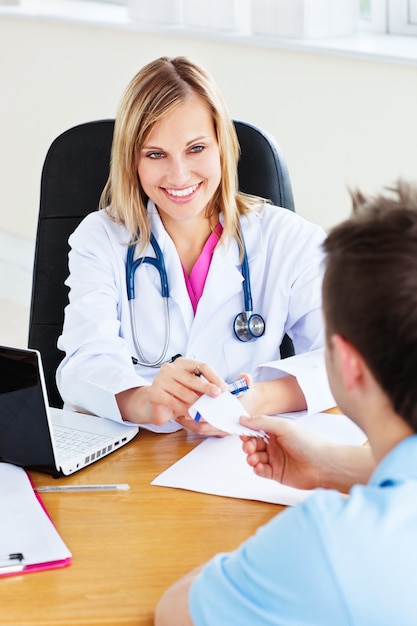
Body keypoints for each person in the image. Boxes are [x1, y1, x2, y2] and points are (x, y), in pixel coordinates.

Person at [155, 180, 417, 625]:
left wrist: (276, 551)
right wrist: (335, 467)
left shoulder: (330, 545)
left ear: (350, 365)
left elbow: (178, 610)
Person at [56, 56, 332, 434]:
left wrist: (257, 399)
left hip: (241, 453)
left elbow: (346, 360)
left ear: (222, 144)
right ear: (131, 161)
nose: (179, 175)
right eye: (156, 154)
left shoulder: (291, 240)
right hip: (133, 453)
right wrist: (149, 400)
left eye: (196, 148)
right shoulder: (100, 239)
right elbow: (83, 362)